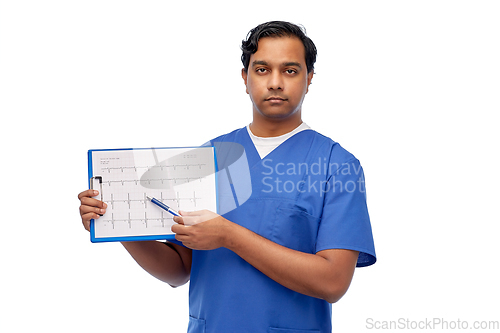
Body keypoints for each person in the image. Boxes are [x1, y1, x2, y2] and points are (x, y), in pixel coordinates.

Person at [78, 21, 376, 333]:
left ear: (309, 78)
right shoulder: (207, 158)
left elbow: (333, 283)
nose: (275, 82)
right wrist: (117, 224)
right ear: (245, 78)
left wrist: (229, 236)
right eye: (262, 70)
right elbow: (179, 270)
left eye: (290, 70)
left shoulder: (337, 165)